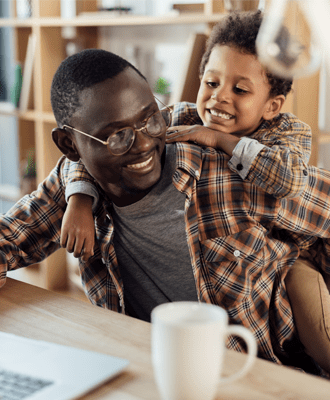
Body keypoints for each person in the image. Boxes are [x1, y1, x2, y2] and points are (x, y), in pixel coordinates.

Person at [0, 47, 330, 377]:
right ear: (70, 144)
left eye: (150, 118)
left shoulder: (221, 175)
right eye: (117, 136)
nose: (145, 144)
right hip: (153, 371)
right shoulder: (75, 190)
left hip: (260, 375)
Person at [59, 11, 330, 374]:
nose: (219, 98)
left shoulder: (287, 132)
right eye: (211, 82)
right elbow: (108, 147)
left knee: (317, 339)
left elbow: (289, 181)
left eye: (240, 89)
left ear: (271, 106)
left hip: (301, 256)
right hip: (250, 268)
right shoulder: (184, 119)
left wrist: (222, 141)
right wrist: (79, 198)